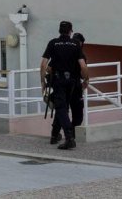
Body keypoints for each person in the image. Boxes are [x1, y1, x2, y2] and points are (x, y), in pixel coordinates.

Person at [40, 21, 89, 150]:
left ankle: (64, 136)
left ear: (59, 30)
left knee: (61, 108)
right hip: (73, 82)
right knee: (65, 109)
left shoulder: (53, 43)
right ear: (70, 31)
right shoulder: (75, 45)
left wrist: (43, 83)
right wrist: (86, 80)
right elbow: (83, 66)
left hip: (59, 81)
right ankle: (63, 136)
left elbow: (44, 65)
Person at [49, 32, 87, 145]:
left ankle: (56, 135)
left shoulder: (61, 51)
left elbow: (49, 68)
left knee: (62, 111)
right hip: (74, 86)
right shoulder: (80, 55)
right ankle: (69, 136)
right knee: (71, 112)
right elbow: (84, 69)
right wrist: (86, 80)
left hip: (64, 85)